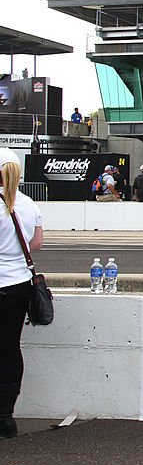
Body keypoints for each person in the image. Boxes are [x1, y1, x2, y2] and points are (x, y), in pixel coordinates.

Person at [0, 148, 43, 438]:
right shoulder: (28, 204)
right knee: (10, 348)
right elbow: (36, 244)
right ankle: (6, 416)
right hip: (17, 285)